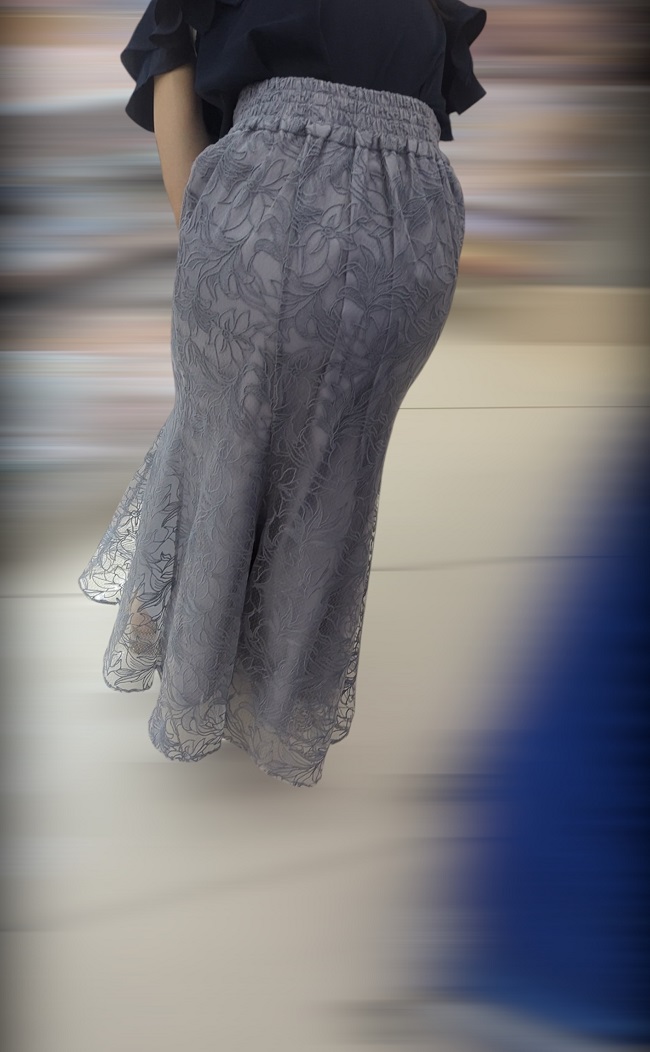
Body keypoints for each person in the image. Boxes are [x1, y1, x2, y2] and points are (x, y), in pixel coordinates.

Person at [77, 0, 487, 787]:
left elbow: (172, 71)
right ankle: (273, 693)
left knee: (219, 437)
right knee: (331, 467)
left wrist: (204, 224)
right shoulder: (428, 10)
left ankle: (187, 658)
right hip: (412, 238)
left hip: (271, 206)